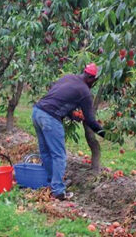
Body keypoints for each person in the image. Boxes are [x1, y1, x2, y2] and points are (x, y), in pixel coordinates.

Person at [32, 63, 106, 200]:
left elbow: (58, 97)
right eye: (95, 81)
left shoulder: (68, 77)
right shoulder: (85, 92)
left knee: (46, 152)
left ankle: (52, 183)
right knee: (59, 155)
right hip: (50, 118)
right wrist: (105, 134)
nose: (94, 84)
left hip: (37, 112)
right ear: (91, 78)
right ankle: (58, 191)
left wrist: (72, 115)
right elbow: (90, 120)